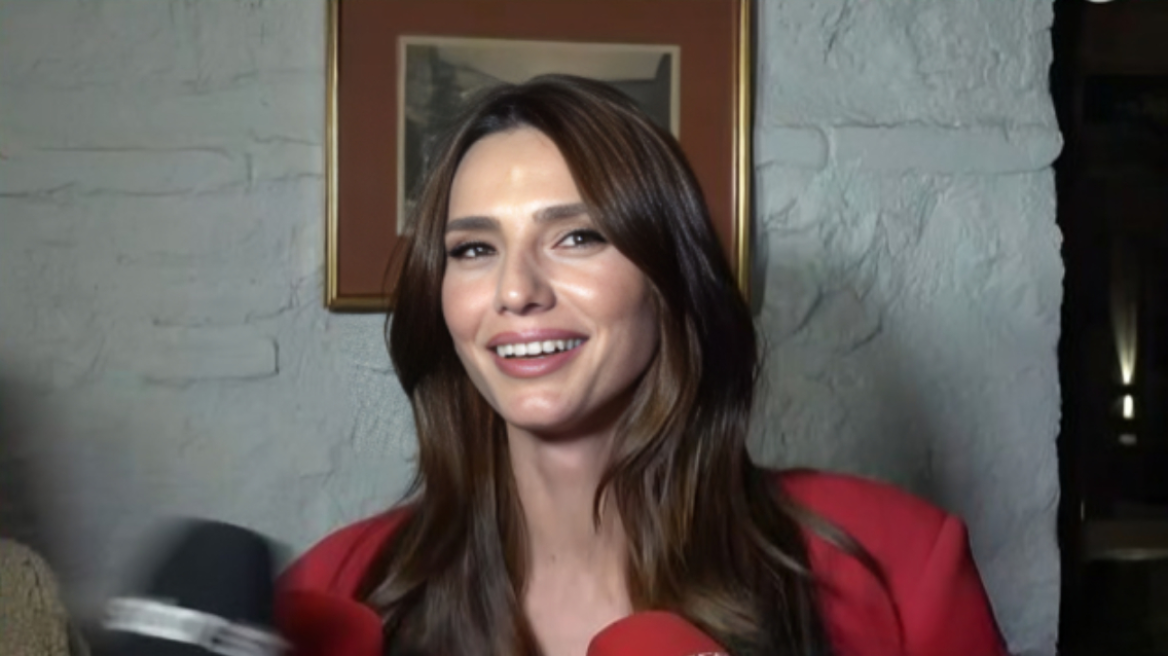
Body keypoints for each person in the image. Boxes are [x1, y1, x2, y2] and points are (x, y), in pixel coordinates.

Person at [279, 75, 1007, 656]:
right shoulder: (336, 588)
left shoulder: (900, 565)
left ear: (669, 280)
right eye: (474, 249)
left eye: (578, 237)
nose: (516, 291)